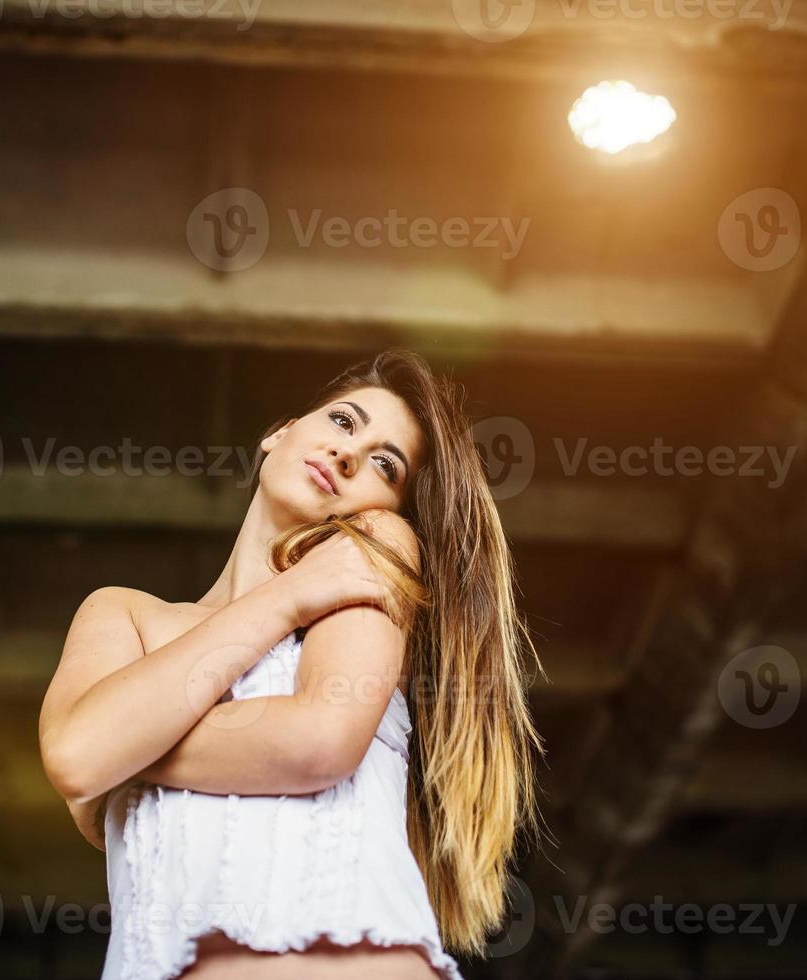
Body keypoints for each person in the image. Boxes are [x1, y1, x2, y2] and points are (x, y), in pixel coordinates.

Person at [39, 348, 546, 979]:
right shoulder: (123, 614)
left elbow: (318, 740)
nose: (349, 454)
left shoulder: (374, 551)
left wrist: (125, 749)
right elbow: (77, 757)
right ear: (278, 434)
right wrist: (287, 598)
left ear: (387, 506)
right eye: (342, 421)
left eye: (386, 465)